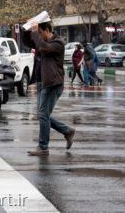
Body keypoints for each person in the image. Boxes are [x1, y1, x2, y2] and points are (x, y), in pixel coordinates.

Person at [27, 22, 76, 156]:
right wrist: (29, 28)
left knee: (43, 115)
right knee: (43, 115)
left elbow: (43, 48)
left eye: (41, 33)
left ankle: (43, 147)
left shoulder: (57, 43)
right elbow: (30, 42)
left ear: (47, 30)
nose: (39, 36)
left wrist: (36, 34)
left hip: (53, 84)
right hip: (43, 83)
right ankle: (67, 131)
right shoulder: (43, 41)